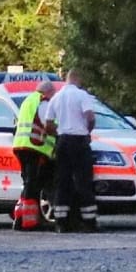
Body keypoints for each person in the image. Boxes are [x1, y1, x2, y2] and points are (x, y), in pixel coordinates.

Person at [42, 68, 100, 232]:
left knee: (62, 181)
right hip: (79, 140)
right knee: (84, 181)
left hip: (63, 141)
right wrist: (88, 132)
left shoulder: (56, 97)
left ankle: (61, 222)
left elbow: (48, 124)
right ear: (78, 79)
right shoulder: (82, 95)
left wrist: (59, 134)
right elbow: (90, 117)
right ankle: (89, 222)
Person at [11, 79, 56, 230]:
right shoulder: (43, 101)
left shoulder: (27, 100)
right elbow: (47, 123)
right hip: (34, 146)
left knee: (28, 182)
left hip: (21, 145)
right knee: (32, 183)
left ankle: (19, 218)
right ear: (48, 92)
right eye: (53, 94)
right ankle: (29, 222)